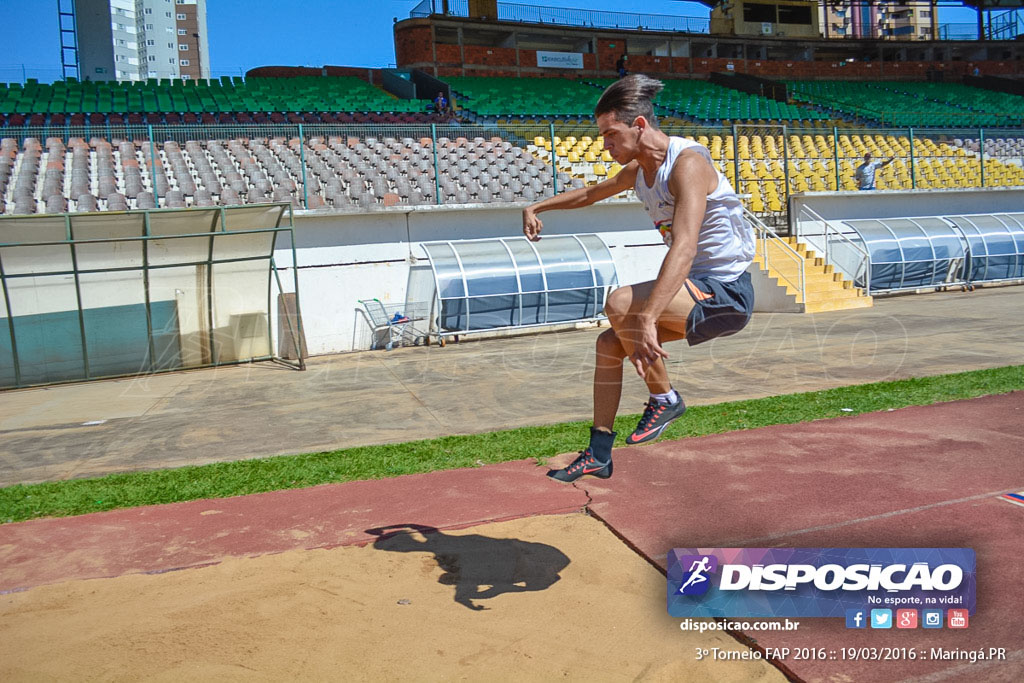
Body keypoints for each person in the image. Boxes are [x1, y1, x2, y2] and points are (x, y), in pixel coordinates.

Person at [522, 75, 755, 483]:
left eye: (611, 134)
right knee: (609, 344)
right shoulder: (640, 169)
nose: (606, 144)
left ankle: (665, 398)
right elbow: (591, 193)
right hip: (697, 288)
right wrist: (538, 205)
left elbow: (683, 246)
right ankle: (598, 452)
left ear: (640, 126)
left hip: (727, 293)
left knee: (620, 304)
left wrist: (648, 317)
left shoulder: (688, 164)